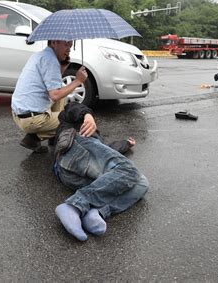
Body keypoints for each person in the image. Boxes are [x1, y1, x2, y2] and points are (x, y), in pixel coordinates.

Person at [52, 102, 149, 241]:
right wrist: (87, 115)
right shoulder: (73, 122)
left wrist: (124, 144)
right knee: (128, 170)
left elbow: (105, 152)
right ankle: (74, 205)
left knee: (142, 183)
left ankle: (96, 211)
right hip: (72, 149)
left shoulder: (96, 145)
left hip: (74, 175)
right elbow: (71, 106)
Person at [11, 40, 94, 153]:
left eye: (70, 45)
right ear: (54, 42)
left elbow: (55, 88)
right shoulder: (51, 60)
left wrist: (63, 64)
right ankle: (34, 138)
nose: (69, 48)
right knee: (74, 121)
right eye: (66, 44)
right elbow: (55, 95)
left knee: (62, 94)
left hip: (19, 114)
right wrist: (78, 80)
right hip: (32, 119)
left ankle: (53, 136)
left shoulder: (39, 55)